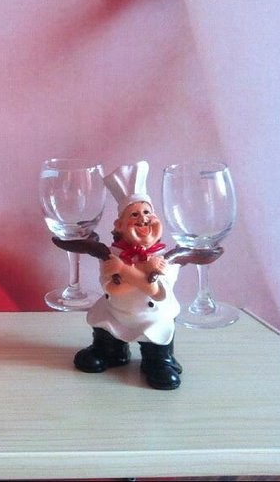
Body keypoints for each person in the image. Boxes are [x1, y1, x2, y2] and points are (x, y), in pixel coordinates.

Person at [72, 161, 183, 390]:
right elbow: (113, 289)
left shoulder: (164, 259)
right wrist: (143, 271)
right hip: (116, 313)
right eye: (134, 214)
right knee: (105, 328)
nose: (143, 218)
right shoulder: (111, 255)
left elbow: (155, 292)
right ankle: (111, 352)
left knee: (157, 338)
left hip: (152, 317)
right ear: (119, 225)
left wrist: (124, 270)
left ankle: (157, 361)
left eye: (147, 212)